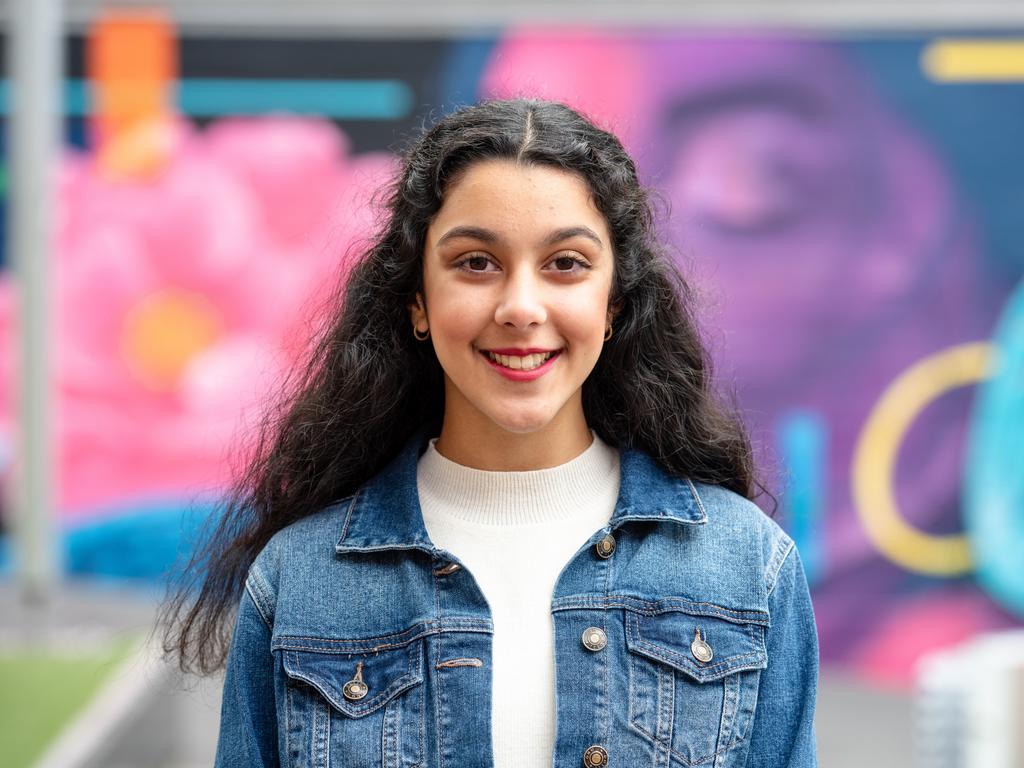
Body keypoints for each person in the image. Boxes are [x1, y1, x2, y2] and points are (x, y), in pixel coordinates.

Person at [162, 98, 819, 768]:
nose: (520, 308)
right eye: (476, 263)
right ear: (417, 300)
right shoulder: (298, 582)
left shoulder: (749, 570)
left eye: (565, 263)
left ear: (614, 304)